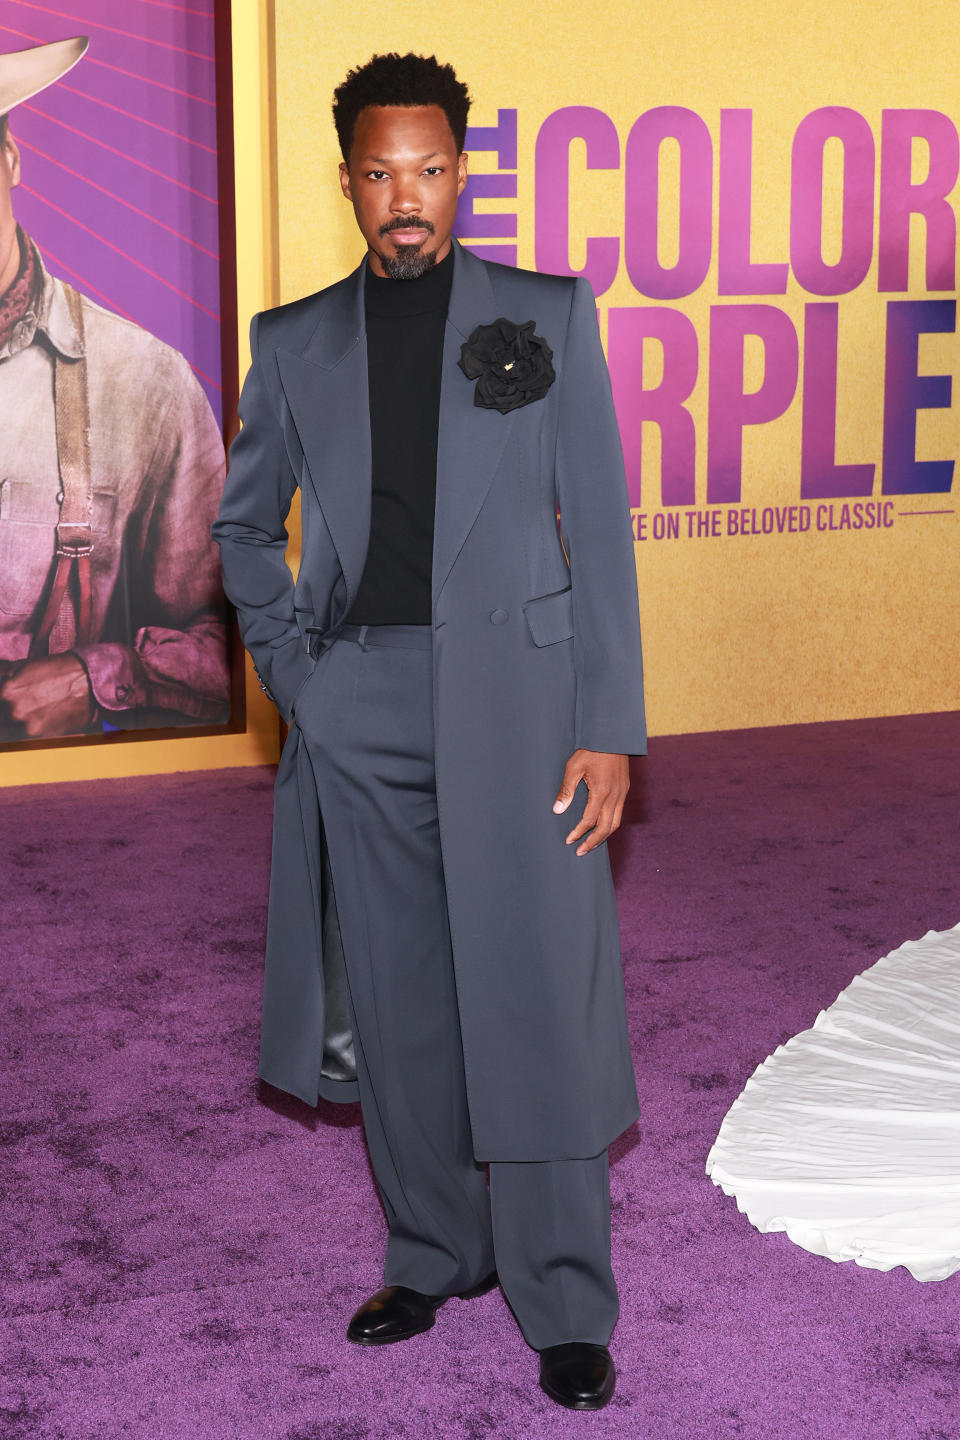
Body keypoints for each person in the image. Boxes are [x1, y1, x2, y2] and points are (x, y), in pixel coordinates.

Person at [214, 52, 646, 1411]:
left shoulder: (548, 315)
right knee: (399, 1004)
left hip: (525, 709)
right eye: (380, 173)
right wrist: (306, 681)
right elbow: (238, 530)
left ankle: (564, 1298)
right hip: (364, 704)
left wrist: (611, 725)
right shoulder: (292, 343)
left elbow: (605, 534)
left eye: (431, 169)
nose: (407, 198)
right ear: (348, 179)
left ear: (465, 168)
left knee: (539, 996)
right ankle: (431, 1250)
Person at [0, 37, 229, 743]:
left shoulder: (144, 381)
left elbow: (237, 645)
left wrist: (99, 677)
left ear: (9, 158)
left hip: (63, 806)